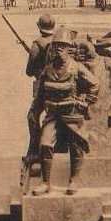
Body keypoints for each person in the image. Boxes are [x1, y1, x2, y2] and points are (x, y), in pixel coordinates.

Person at [32, 27, 99, 196]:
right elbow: (40, 95)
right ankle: (46, 183)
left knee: (76, 147)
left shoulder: (76, 68)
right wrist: (35, 111)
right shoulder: (47, 70)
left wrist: (86, 101)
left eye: (62, 47)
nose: (59, 50)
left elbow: (94, 84)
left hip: (72, 114)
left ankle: (73, 180)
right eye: (56, 47)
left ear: (69, 50)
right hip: (53, 115)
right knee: (45, 144)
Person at [24, 14, 56, 164]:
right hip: (57, 84)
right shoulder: (59, 42)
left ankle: (34, 151)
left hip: (43, 86)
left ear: (39, 27)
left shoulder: (37, 44)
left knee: (32, 116)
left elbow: (29, 71)